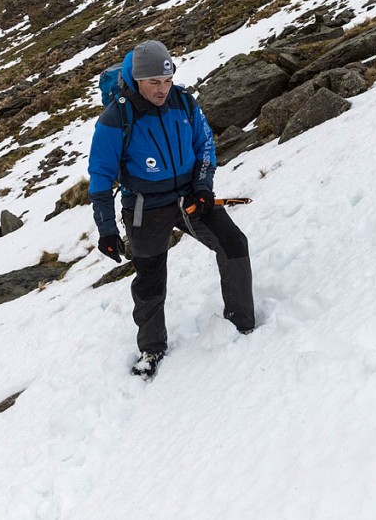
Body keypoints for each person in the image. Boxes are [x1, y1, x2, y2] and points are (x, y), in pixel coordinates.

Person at [87, 40, 255, 378]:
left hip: (191, 197)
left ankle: (243, 324)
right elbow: (101, 177)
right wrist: (106, 229)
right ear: (137, 81)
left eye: (166, 80)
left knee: (234, 244)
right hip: (144, 208)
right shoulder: (116, 117)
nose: (162, 89)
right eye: (153, 83)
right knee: (150, 279)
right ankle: (151, 349)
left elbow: (204, 144)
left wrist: (204, 188)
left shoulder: (183, 102)